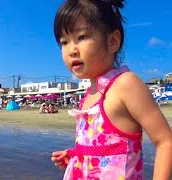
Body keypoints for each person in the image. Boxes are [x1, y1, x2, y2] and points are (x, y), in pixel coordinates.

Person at [51, 0, 172, 179]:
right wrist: (76, 157)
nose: (71, 50)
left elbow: (165, 142)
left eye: (81, 37)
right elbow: (101, 152)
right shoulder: (88, 96)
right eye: (64, 42)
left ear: (113, 41)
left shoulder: (125, 84)